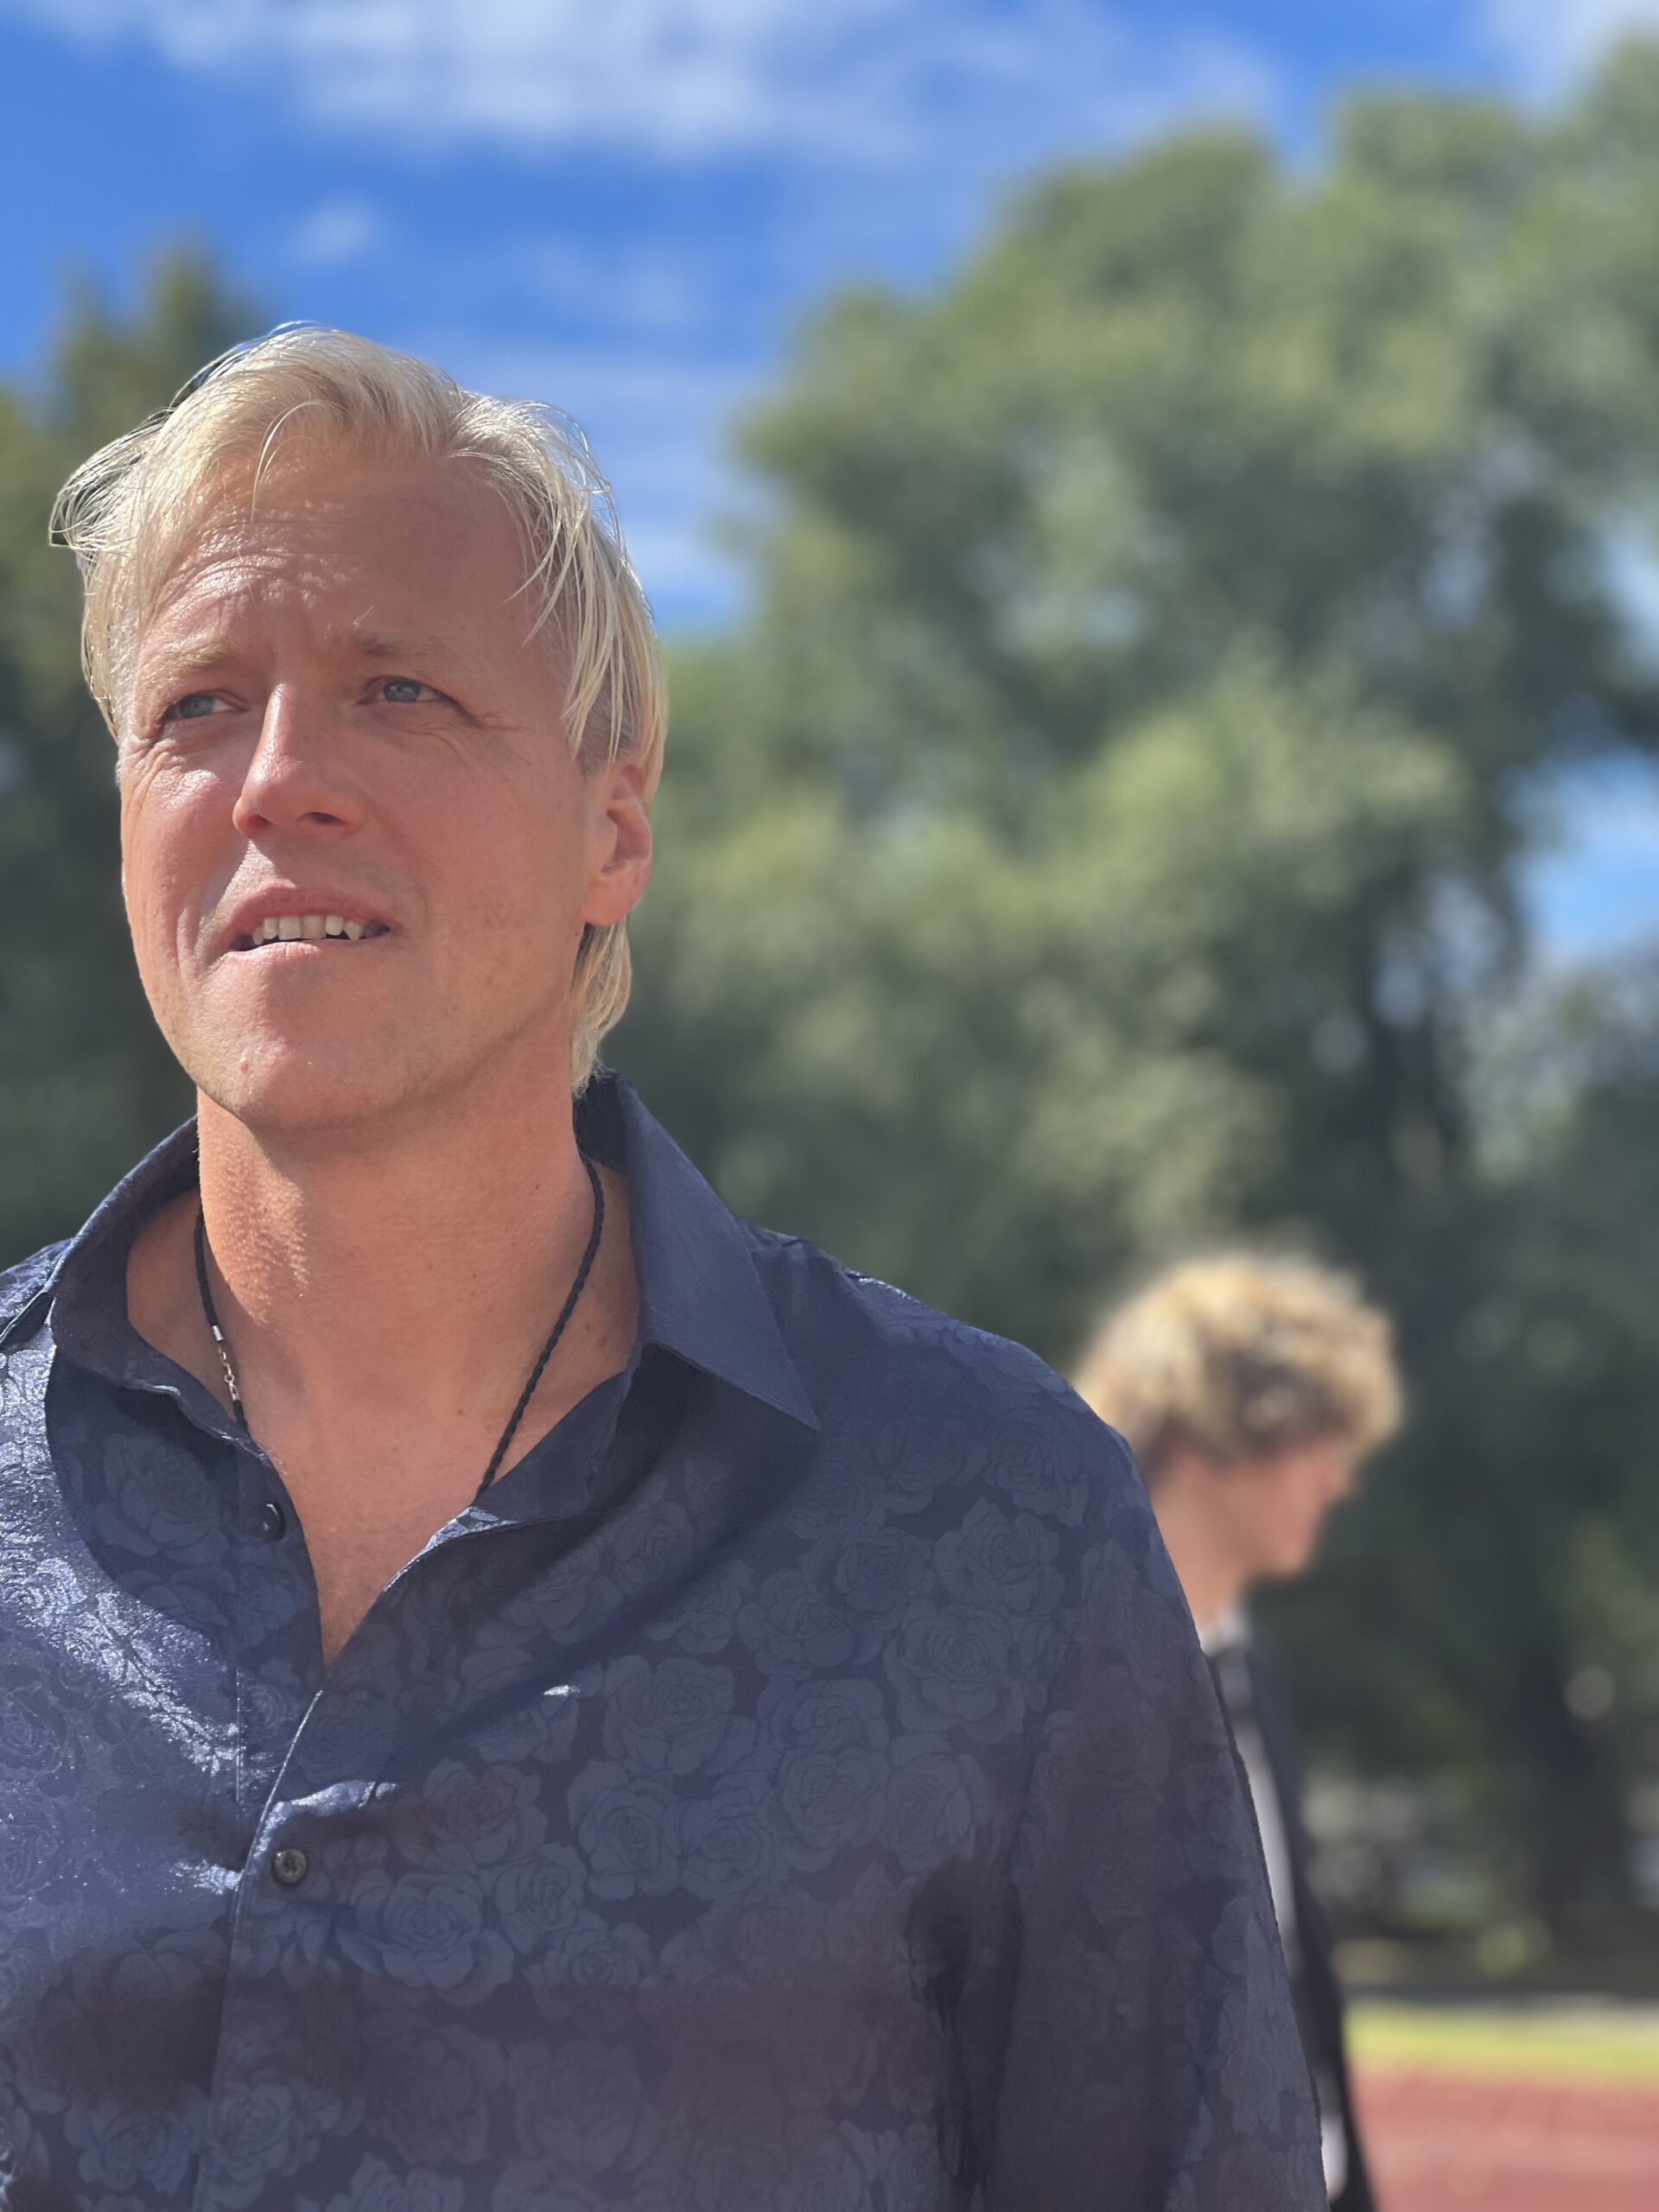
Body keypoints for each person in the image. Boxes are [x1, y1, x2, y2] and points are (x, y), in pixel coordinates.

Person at [0, 327, 1324, 2209]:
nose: (279, 777)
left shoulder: (995, 1526)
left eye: (398, 689)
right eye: (197, 705)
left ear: (613, 829)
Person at [1077, 1252, 1403, 2212]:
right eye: (1320, 1438)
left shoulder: (1254, 1672)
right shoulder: (1053, 1680)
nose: (1340, 1480)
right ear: (1214, 1433)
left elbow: (1302, 1973)